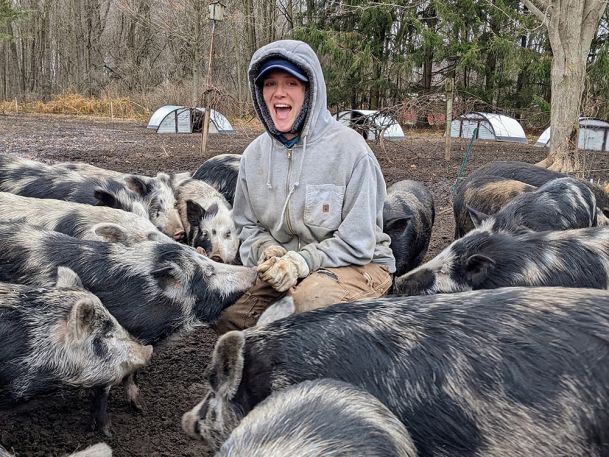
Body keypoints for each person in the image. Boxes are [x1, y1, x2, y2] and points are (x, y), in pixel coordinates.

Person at [214, 39, 395, 334]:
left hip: (359, 266)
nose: (279, 93)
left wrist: (301, 262)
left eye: (291, 83)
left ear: (311, 92)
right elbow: (247, 227)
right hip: (286, 269)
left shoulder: (350, 150)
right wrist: (266, 251)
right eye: (269, 83)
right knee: (230, 316)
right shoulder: (254, 156)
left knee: (305, 309)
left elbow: (359, 242)